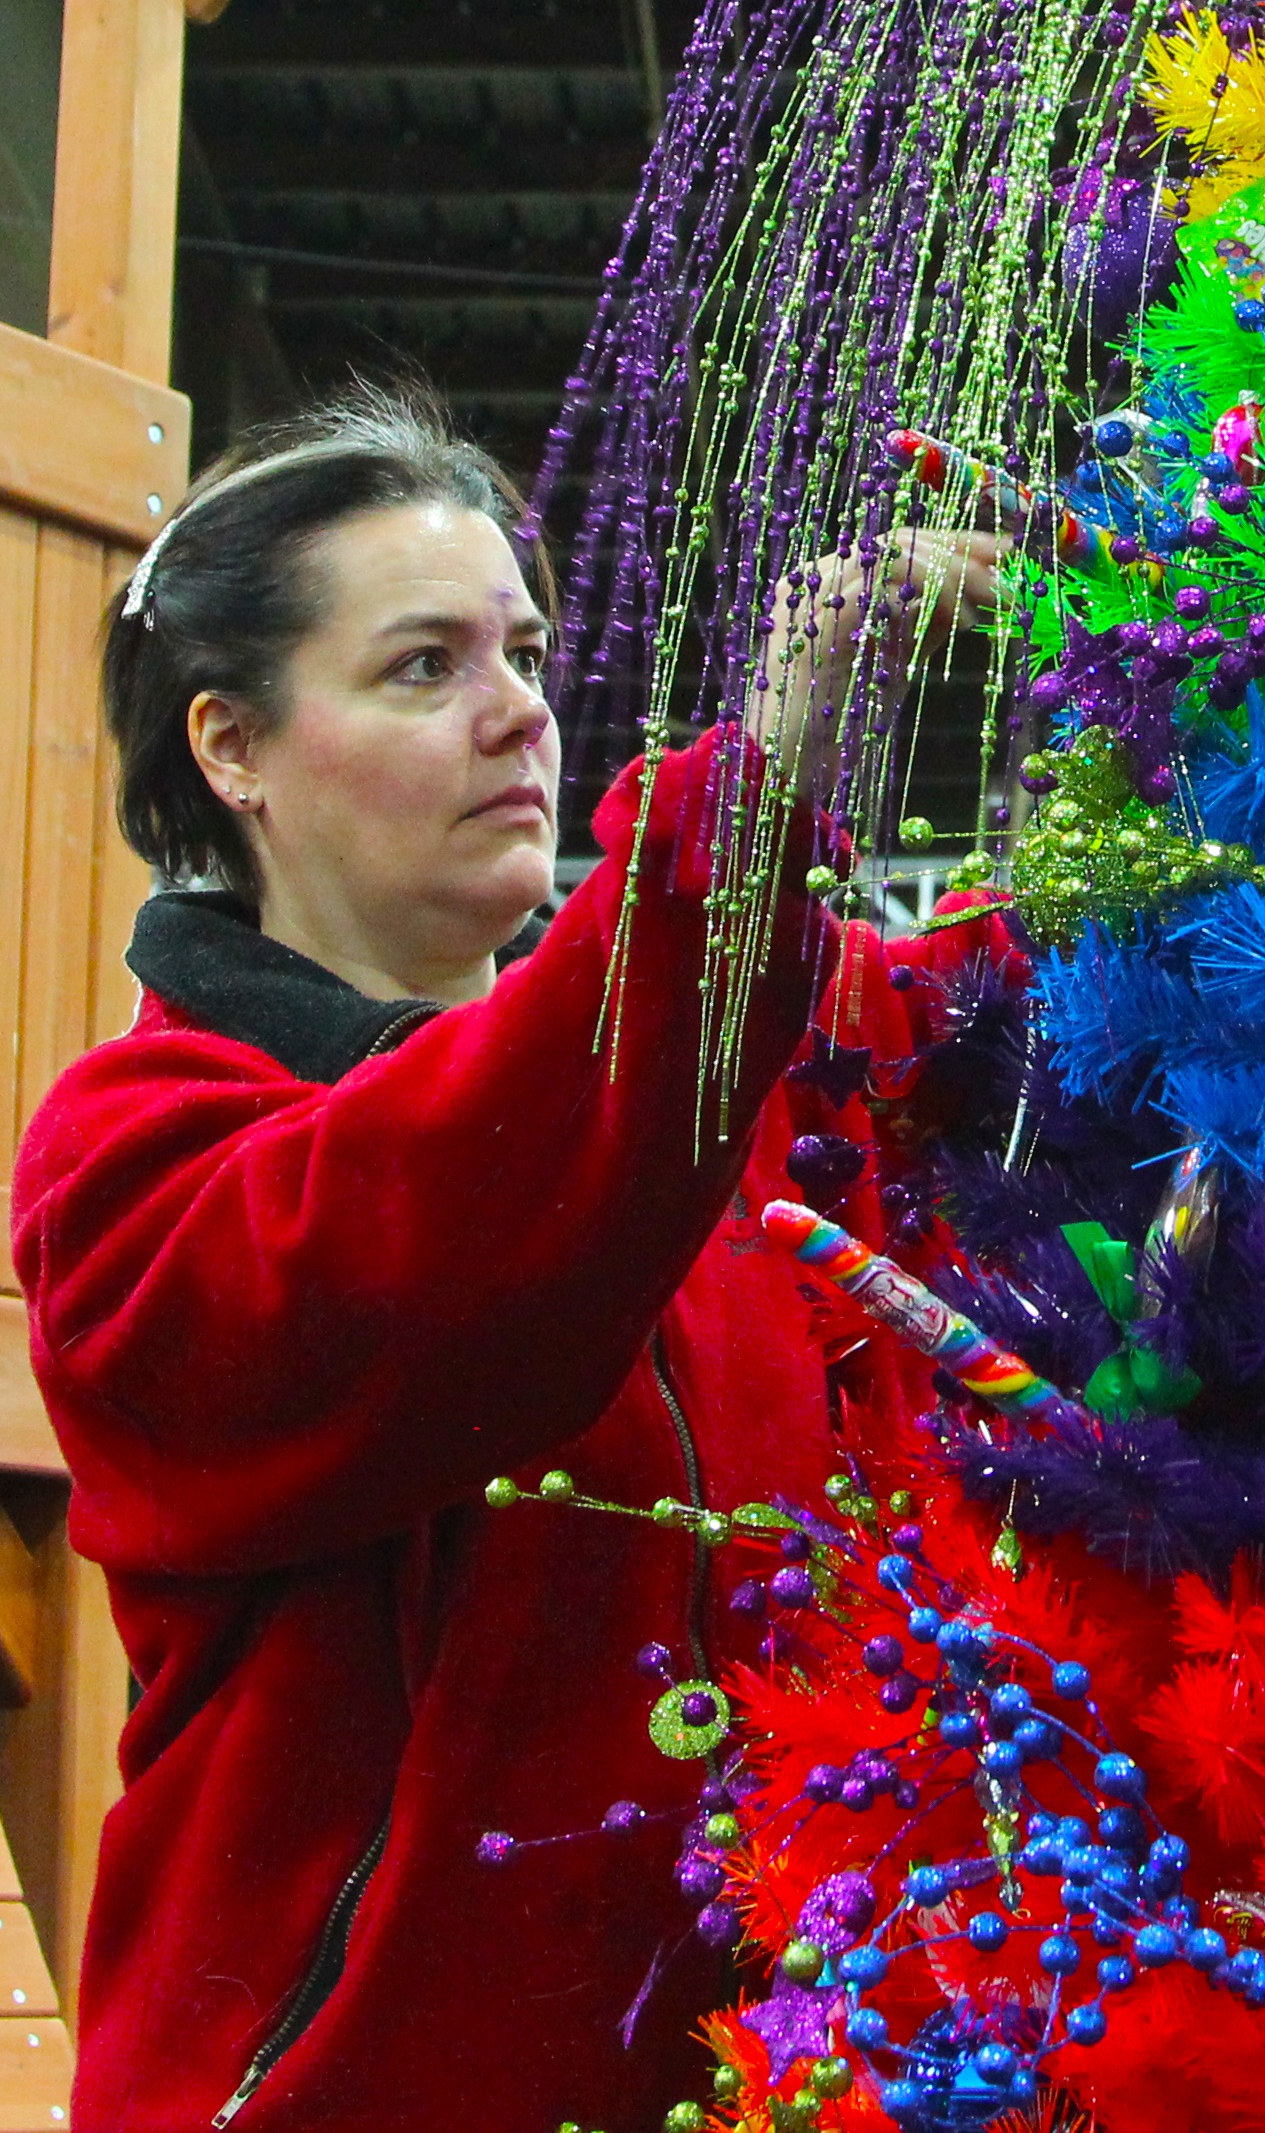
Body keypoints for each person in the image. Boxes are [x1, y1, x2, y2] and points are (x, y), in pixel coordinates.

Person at [13, 386, 1015, 2131]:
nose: (519, 720)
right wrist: (754, 788)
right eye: (424, 669)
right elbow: (449, 1231)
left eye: (528, 656)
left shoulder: (715, 1071)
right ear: (232, 749)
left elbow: (1001, 1030)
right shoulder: (133, 1161)